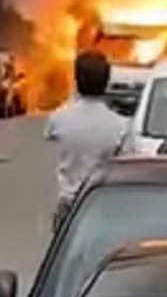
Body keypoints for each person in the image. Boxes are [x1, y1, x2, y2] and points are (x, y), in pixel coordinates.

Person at [44, 50, 128, 232]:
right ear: (107, 82)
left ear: (76, 80)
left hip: (69, 204)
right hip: (102, 204)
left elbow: (49, 135)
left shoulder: (58, 118)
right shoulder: (121, 126)